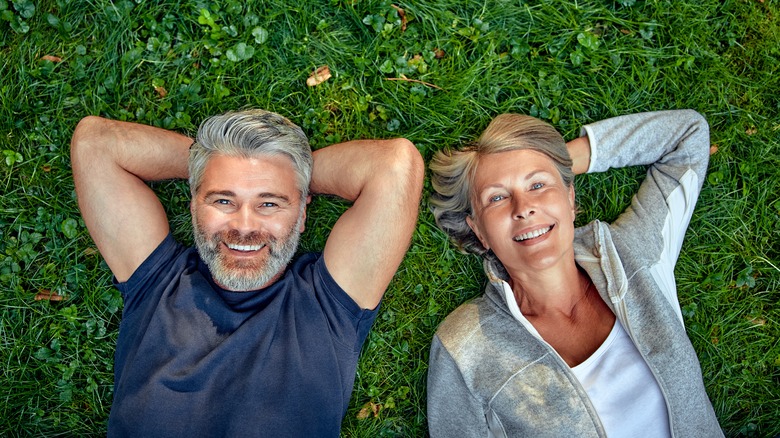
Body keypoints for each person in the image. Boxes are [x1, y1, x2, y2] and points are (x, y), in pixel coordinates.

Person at [70, 109, 424, 437]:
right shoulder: (157, 280)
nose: (244, 226)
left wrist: (286, 169)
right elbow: (95, 143)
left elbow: (395, 165)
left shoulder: (330, 304)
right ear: (194, 206)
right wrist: (209, 163)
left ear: (302, 214)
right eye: (223, 200)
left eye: (269, 203)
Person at [426, 110, 723, 437]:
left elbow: (687, 137)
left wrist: (558, 160)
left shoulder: (632, 254)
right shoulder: (463, 347)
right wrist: (546, 171)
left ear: (570, 198)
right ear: (479, 231)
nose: (523, 207)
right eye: (497, 197)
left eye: (537, 185)